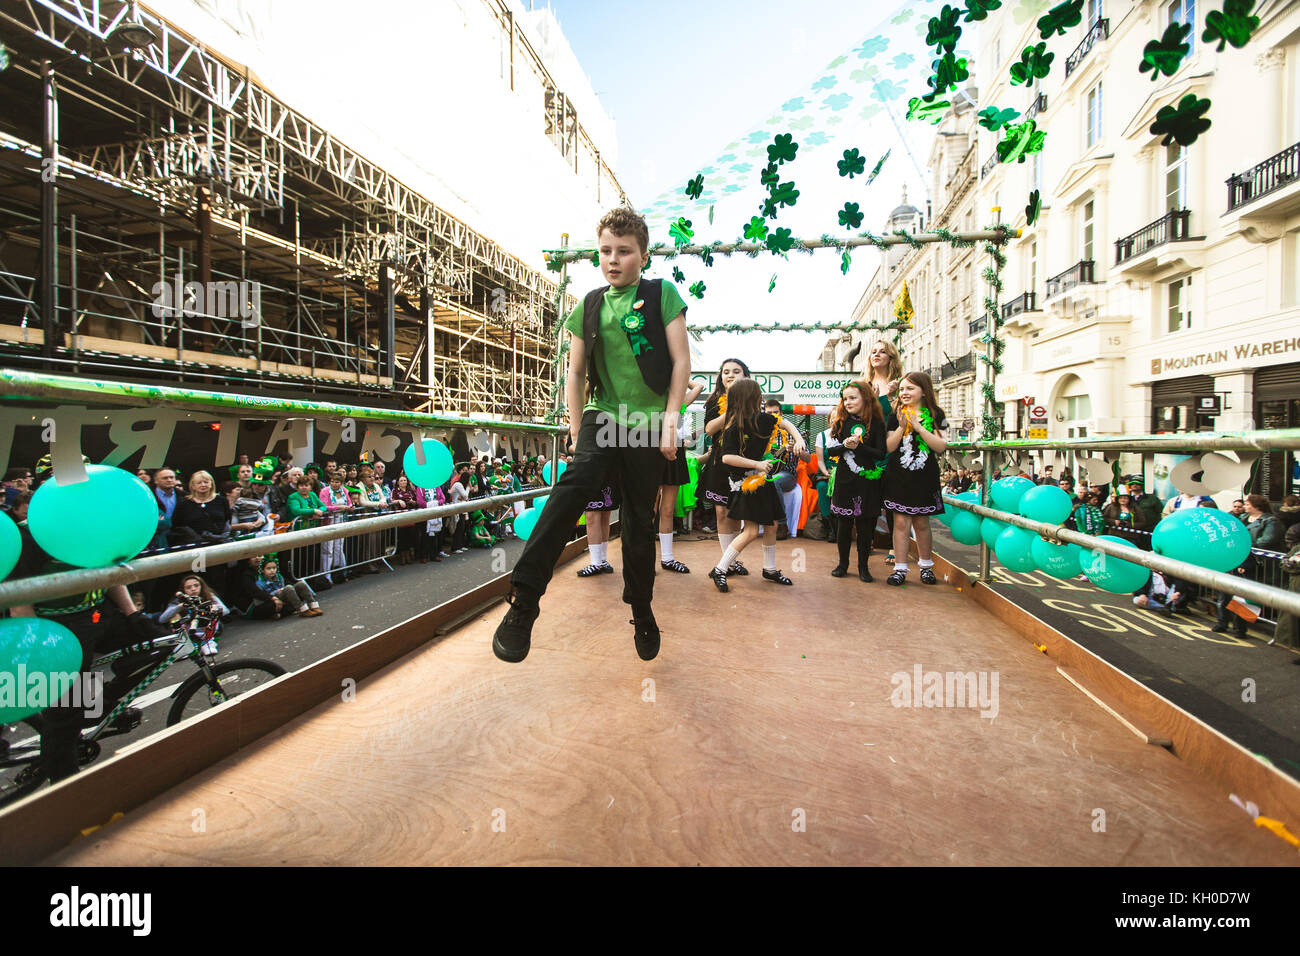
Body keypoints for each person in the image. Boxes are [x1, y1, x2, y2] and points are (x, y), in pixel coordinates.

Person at [493, 207, 691, 663]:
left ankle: (641, 608)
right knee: (574, 486)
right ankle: (524, 599)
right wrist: (578, 426)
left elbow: (681, 361)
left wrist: (670, 418)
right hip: (604, 416)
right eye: (605, 251)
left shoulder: (663, 294)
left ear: (643, 254)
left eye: (624, 251)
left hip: (645, 423)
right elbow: (576, 370)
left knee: (639, 522)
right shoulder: (590, 304)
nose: (613, 259)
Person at [708, 378, 794, 591]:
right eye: (758, 395)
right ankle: (720, 569)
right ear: (750, 399)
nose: (761, 398)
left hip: (761, 480)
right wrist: (757, 463)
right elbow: (727, 458)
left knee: (772, 525)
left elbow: (784, 423)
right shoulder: (733, 427)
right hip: (745, 483)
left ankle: (769, 569)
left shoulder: (763, 419)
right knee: (752, 531)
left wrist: (798, 440)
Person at [882, 371, 949, 586]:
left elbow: (940, 446)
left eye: (910, 388)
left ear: (923, 390)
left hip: (924, 476)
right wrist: (903, 427)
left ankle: (926, 566)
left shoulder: (936, 414)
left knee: (922, 522)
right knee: (900, 522)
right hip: (898, 475)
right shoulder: (895, 414)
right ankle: (900, 568)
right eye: (902, 389)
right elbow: (889, 447)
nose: (904, 392)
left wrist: (919, 427)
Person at [825, 380, 888, 582]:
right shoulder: (841, 422)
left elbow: (880, 453)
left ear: (866, 398)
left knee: (865, 527)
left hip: (867, 482)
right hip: (845, 480)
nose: (848, 402)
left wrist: (859, 447)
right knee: (843, 526)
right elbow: (831, 450)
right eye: (845, 399)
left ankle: (863, 567)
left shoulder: (877, 423)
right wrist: (845, 445)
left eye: (853, 398)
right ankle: (842, 564)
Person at [656, 378, 706, 573]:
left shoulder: (681, 404)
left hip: (674, 455)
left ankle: (667, 558)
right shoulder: (648, 405)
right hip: (649, 452)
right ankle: (644, 558)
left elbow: (699, 386)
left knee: (667, 509)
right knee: (648, 509)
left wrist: (677, 372)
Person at [158, 574, 228, 656]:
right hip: (187, 630)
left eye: (196, 585)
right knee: (174, 616)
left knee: (212, 609)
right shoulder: (178, 601)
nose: (193, 589)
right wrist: (180, 607)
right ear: (183, 590)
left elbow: (226, 610)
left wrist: (211, 608)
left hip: (206, 629)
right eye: (188, 587)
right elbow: (162, 619)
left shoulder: (208, 596)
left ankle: (207, 643)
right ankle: (183, 645)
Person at [576, 480, 619, 577]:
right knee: (591, 515)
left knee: (605, 516)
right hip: (590, 473)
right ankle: (596, 562)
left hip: (609, 471)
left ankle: (602, 560)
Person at [254, 556, 323, 618]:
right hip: (273, 599)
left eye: (274, 568)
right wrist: (275, 595)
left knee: (300, 584)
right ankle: (302, 610)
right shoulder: (260, 583)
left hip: (283, 594)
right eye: (268, 568)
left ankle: (313, 605)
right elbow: (262, 599)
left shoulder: (279, 577)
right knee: (288, 588)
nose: (272, 570)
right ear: (262, 570)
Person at [319, 470, 352, 584]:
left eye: (337, 482)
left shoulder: (344, 491)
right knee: (328, 549)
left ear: (341, 482)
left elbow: (349, 503)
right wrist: (339, 507)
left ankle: (340, 573)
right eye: (332, 481)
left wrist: (349, 507)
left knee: (338, 547)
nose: (334, 483)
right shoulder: (324, 491)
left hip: (341, 521)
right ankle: (326, 576)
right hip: (328, 521)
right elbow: (324, 506)